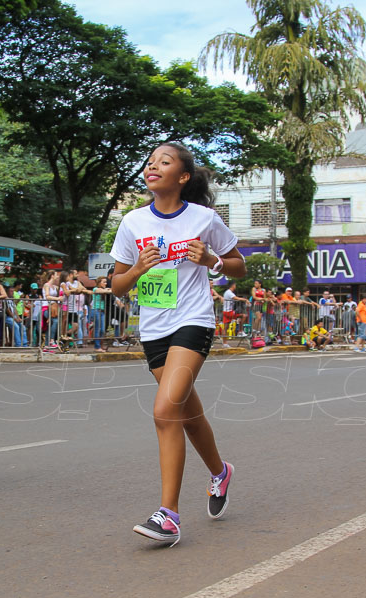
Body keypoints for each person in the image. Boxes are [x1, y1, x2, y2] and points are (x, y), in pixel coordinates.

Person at [109, 141, 246, 546]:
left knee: (166, 410)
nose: (153, 167)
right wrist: (137, 268)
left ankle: (168, 515)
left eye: (164, 162)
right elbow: (117, 285)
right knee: (186, 414)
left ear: (182, 177)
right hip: (153, 329)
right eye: (150, 162)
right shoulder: (132, 222)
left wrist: (211, 261)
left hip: (192, 321)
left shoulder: (203, 219)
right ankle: (220, 472)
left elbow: (237, 264)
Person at [91, 276, 111, 351]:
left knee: (102, 329)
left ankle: (100, 345)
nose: (105, 284)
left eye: (106, 282)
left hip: (102, 311)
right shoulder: (95, 289)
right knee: (97, 329)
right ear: (99, 283)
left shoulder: (104, 289)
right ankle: (97, 346)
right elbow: (102, 291)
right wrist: (108, 290)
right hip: (96, 310)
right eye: (104, 282)